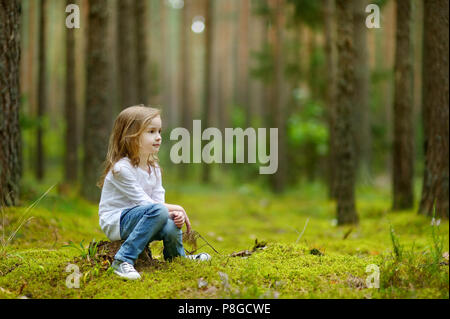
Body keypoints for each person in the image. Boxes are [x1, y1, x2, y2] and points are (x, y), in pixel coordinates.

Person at [97, 105, 211, 280]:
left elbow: (158, 202)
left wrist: (174, 214)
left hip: (145, 217)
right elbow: (147, 204)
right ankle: (123, 259)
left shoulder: (154, 168)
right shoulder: (121, 169)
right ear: (131, 135)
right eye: (150, 132)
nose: (158, 137)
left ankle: (176, 258)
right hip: (117, 222)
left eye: (159, 131)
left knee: (170, 219)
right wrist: (177, 207)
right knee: (160, 210)